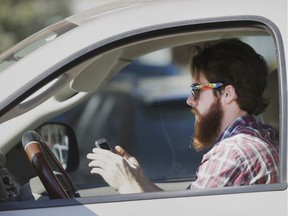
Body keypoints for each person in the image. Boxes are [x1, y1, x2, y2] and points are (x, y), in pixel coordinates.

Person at [87, 39, 279, 193]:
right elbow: (182, 209)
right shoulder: (262, 136)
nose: (189, 100)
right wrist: (138, 179)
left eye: (197, 89)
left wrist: (126, 184)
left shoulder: (232, 154)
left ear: (227, 94)